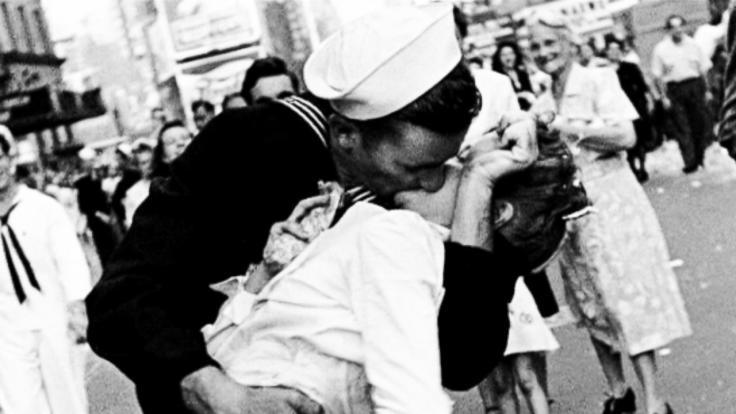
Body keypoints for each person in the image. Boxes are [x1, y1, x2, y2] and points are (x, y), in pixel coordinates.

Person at [86, 3, 541, 413]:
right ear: (346, 135)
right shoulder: (249, 146)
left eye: (444, 163)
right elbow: (122, 298)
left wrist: (481, 189)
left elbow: (462, 356)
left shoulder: (405, 202)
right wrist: (221, 395)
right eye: (416, 165)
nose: (432, 179)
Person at [527, 12, 692, 414]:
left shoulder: (597, 80)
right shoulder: (541, 101)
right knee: (589, 303)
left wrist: (568, 126)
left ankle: (655, 401)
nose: (543, 52)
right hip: (570, 216)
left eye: (550, 43)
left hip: (612, 206)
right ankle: (619, 392)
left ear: (569, 43)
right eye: (535, 46)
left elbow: (626, 135)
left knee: (626, 299)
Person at [0, 126, 92, 414]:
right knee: (20, 404)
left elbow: (70, 259)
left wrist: (77, 306)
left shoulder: (43, 207)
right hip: (7, 327)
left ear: (9, 158)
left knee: (67, 398)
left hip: (53, 317)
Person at [652, 15, 714, 173]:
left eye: (680, 26)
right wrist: (664, 97)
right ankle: (690, 161)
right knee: (682, 126)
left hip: (694, 86)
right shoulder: (661, 49)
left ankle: (700, 157)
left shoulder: (694, 45)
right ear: (668, 30)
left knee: (699, 123)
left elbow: (703, 69)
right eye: (674, 27)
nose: (678, 30)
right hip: (675, 89)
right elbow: (658, 75)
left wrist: (707, 90)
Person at [605, 38, 656, 182]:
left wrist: (649, 101)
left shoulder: (630, 67)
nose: (614, 53)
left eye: (616, 50)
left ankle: (642, 166)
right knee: (626, 142)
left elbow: (642, 86)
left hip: (635, 107)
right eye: (611, 50)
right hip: (616, 111)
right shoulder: (604, 72)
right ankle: (632, 167)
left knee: (639, 139)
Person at [492, 41, 536, 110]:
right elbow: (500, 100)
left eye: (511, 53)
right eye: (504, 55)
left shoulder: (522, 73)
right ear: (498, 58)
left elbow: (531, 93)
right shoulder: (498, 77)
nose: (508, 58)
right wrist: (521, 95)